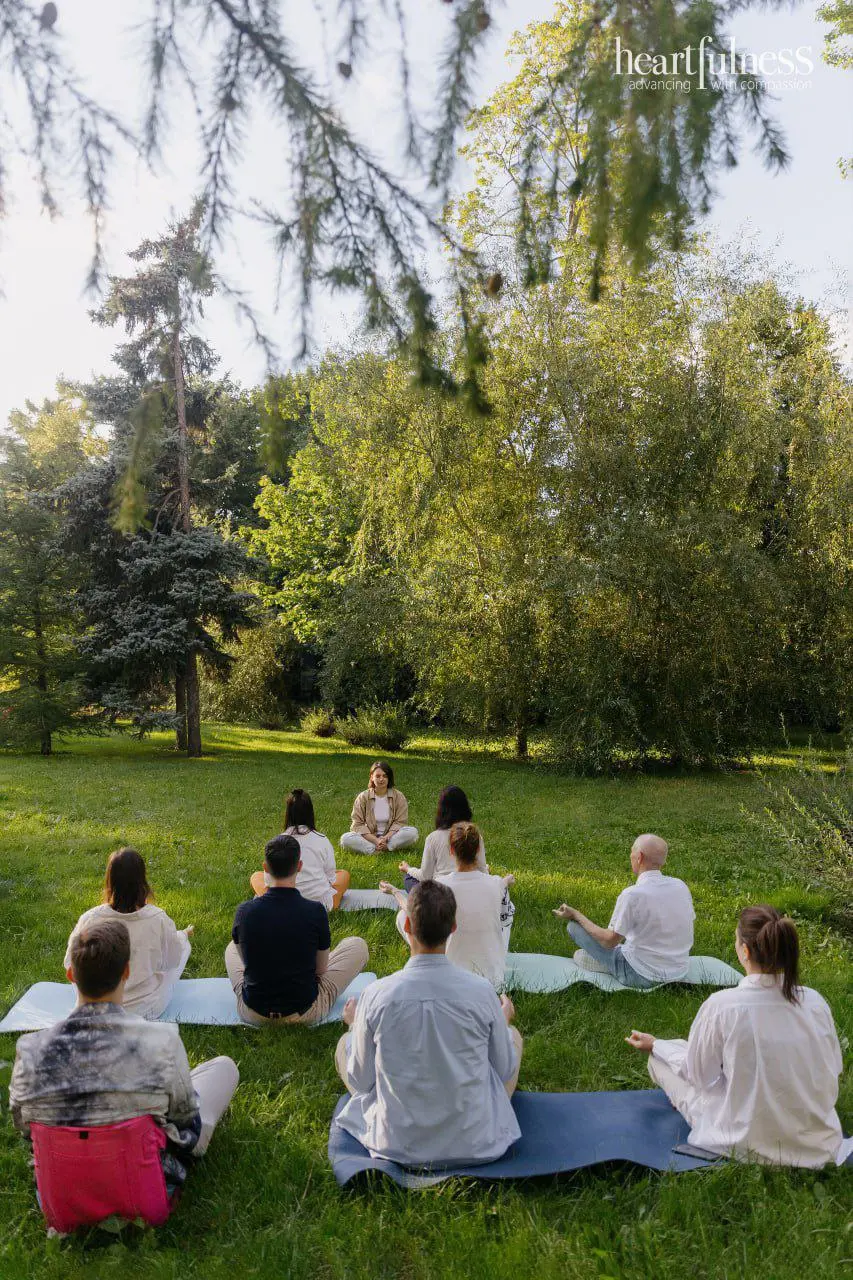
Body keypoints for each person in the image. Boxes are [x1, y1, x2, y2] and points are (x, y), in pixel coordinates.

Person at [11, 918, 239, 1197]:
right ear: (126, 972)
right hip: (144, 1191)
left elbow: (24, 1126)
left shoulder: (30, 1049)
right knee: (223, 1068)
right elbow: (184, 1115)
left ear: (71, 974)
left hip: (62, 1197)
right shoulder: (160, 1040)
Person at [626, 905, 853, 1167]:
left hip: (743, 1140)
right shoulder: (815, 1001)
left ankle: (668, 1066)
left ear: (744, 951)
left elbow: (699, 1076)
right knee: (680, 1049)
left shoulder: (723, 1005)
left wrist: (657, 1046)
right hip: (817, 1143)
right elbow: (833, 1068)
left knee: (660, 1059)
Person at [334, 880, 523, 1167]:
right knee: (513, 1038)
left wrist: (354, 1026)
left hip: (397, 1143)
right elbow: (504, 1067)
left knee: (344, 1046)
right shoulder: (481, 992)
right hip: (476, 1142)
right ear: (453, 928)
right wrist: (504, 1021)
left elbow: (361, 1081)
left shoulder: (375, 995)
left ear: (406, 925)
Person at [226, 833, 369, 1026]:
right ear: (299, 866)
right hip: (305, 1012)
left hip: (253, 1011)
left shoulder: (245, 912)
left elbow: (246, 962)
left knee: (230, 948)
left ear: (265, 868)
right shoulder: (315, 911)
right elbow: (321, 970)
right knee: (357, 945)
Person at [64, 847, 193, 1019]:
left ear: (109, 880)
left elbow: (70, 963)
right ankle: (182, 936)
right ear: (142, 882)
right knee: (182, 947)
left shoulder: (90, 918)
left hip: (94, 1007)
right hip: (144, 1009)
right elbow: (172, 962)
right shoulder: (158, 919)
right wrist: (181, 937)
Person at [553, 833, 694, 988]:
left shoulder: (632, 894)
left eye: (631, 852)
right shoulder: (680, 886)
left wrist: (575, 914)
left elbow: (609, 941)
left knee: (574, 927)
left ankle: (610, 965)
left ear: (639, 857)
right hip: (679, 972)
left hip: (640, 976)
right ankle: (613, 960)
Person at [382, 821, 514, 988]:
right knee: (506, 914)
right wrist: (503, 884)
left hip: (449, 976)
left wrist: (394, 891)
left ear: (451, 851)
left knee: (403, 916)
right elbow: (504, 924)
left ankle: (428, 959)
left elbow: (412, 913)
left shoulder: (440, 886)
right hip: (493, 978)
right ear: (478, 850)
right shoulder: (497, 884)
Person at [249, 788, 351, 909]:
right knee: (343, 874)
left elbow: (268, 879)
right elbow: (331, 877)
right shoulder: (322, 840)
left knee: (256, 876)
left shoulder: (278, 842)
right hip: (319, 904)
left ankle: (272, 903)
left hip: (282, 900)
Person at [398, 784, 486, 890]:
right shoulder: (475, 837)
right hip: (470, 888)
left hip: (441, 894)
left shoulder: (433, 838)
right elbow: (483, 872)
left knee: (409, 878)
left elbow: (425, 877)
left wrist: (408, 869)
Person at [339, 761, 418, 855]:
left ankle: (387, 847)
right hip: (369, 838)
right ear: (371, 777)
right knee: (345, 838)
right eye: (378, 776)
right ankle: (374, 849)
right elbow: (357, 824)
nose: (381, 779)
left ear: (389, 778)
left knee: (413, 832)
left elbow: (400, 822)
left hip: (391, 837)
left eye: (385, 776)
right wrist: (376, 840)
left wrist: (385, 838)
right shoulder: (363, 797)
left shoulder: (398, 796)